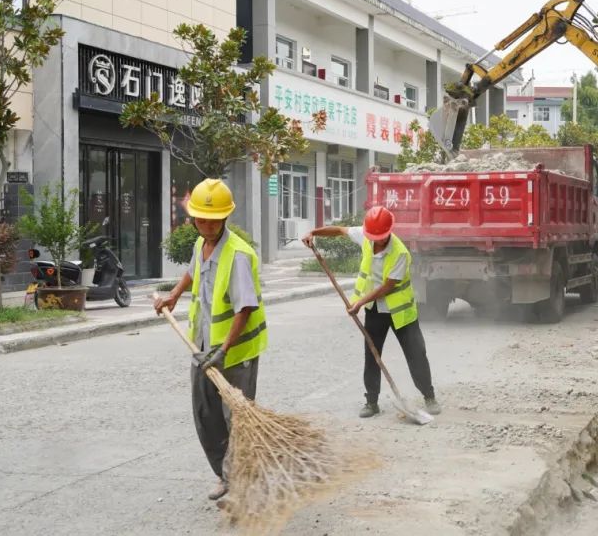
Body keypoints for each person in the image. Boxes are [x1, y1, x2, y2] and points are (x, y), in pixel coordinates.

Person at [152, 179, 268, 501]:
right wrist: (173, 296)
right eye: (200, 219)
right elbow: (193, 270)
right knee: (206, 415)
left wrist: (224, 349)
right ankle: (224, 474)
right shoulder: (200, 244)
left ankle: (242, 485)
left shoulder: (239, 256)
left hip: (234, 353)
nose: (206, 225)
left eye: (213, 220)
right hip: (202, 348)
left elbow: (245, 308)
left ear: (225, 218)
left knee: (237, 422)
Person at [302, 206, 440, 418]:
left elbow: (388, 286)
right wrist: (314, 232)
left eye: (380, 238)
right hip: (375, 310)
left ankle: (429, 396)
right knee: (372, 355)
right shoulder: (367, 235)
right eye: (373, 237)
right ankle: (372, 402)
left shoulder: (400, 252)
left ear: (388, 233)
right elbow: (339, 230)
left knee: (416, 354)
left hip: (400, 312)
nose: (376, 242)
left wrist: (358, 303)